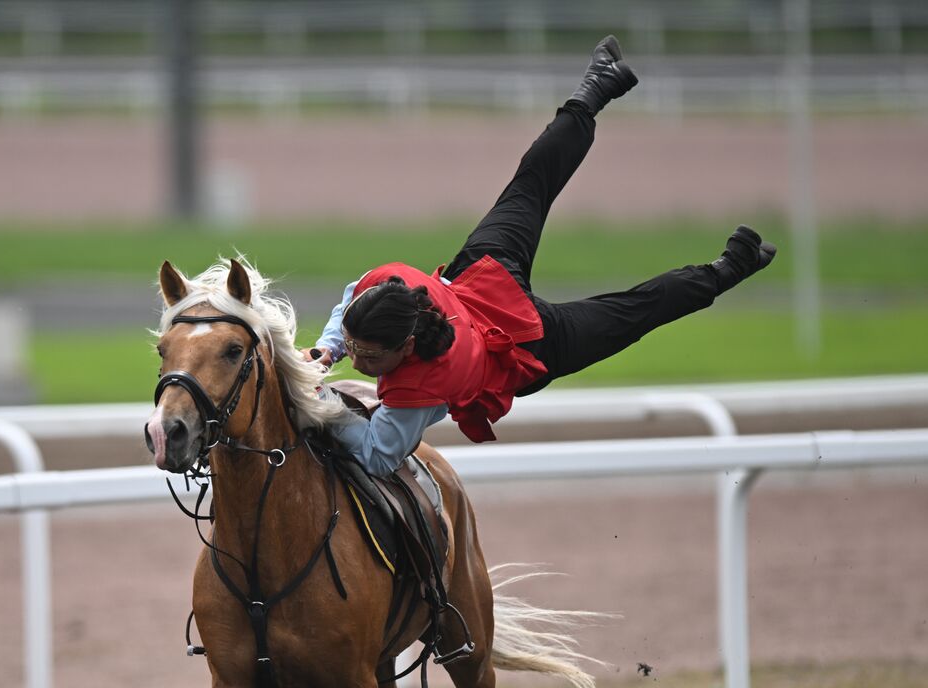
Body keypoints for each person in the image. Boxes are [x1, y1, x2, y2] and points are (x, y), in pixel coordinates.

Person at [305, 36, 777, 477]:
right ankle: (725, 270)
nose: (357, 361)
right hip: (486, 283)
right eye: (355, 346)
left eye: (366, 355)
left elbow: (375, 455)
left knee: (608, 282)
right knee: (608, 282)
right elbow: (352, 301)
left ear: (406, 347)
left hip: (525, 347)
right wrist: (330, 347)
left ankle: (595, 90)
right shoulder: (388, 289)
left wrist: (320, 400)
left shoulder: (419, 388)